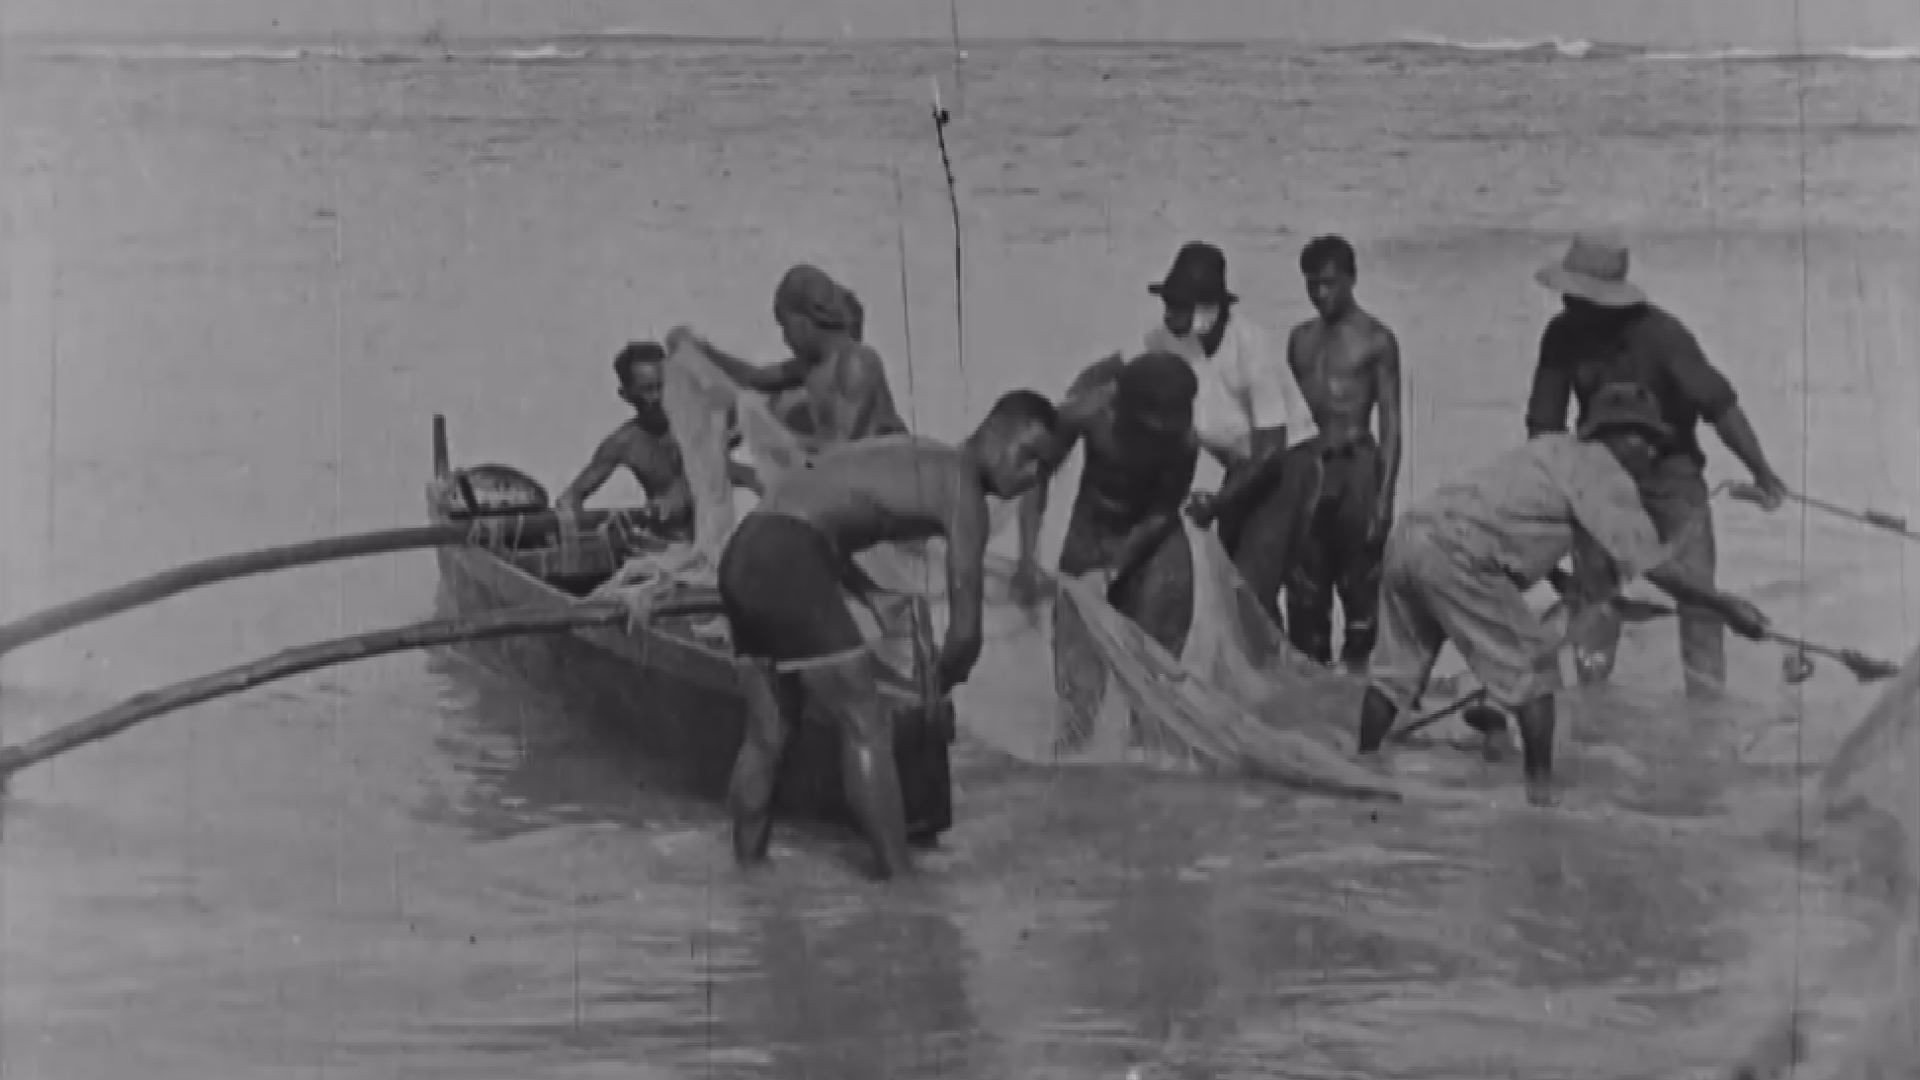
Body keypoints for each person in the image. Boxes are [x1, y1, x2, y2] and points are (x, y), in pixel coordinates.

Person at [1354, 383, 1772, 806]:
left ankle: (1360, 773)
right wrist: (1724, 606)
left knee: (1394, 676)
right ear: (1619, 435)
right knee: (1536, 678)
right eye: (1647, 440)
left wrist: (1559, 578)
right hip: (1458, 556)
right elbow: (1652, 565)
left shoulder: (1550, 451)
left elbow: (1509, 514)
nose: (1652, 454)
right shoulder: (1604, 473)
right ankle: (1541, 801)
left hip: (1410, 536)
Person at [716, 391, 1064, 880]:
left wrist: (868, 592)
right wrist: (939, 683)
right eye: (1029, 457)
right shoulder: (961, 487)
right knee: (867, 721)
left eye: (1044, 470)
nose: (1031, 476)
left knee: (767, 732)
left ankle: (747, 877)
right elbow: (966, 634)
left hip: (745, 550)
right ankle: (899, 884)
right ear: (994, 433)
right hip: (788, 554)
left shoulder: (914, 454)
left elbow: (820, 521)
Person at [1526, 233, 1787, 698]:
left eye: (1577, 294)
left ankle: (1707, 707)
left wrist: (1761, 472)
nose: (1566, 301)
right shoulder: (1561, 335)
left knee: (1698, 599)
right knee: (1595, 600)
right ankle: (1589, 703)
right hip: (1598, 478)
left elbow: (1719, 405)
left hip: (1672, 476)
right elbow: (1544, 426)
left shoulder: (1663, 335)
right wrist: (1553, 503)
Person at [1137, 241, 1317, 631]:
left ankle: (1269, 663)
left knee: (1251, 584)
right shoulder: (1163, 344)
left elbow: (1271, 450)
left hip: (1286, 465)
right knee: (1227, 579)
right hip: (1240, 467)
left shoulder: (1251, 346)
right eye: (1168, 304)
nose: (1170, 314)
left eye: (1181, 306)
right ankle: (1260, 658)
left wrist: (1218, 503)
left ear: (1210, 310)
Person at [1013, 351, 1201, 655]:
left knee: (1153, 656)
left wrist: (1111, 571)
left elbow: (1162, 512)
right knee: (1076, 647)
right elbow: (1036, 475)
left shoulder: (1185, 443)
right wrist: (1027, 555)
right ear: (1122, 408)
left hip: (1151, 540)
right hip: (1093, 531)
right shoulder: (1088, 411)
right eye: (1145, 429)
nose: (1152, 440)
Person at [1278, 235, 1404, 670]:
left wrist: (1385, 499)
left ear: (1351, 279)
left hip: (1357, 468)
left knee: (1362, 591)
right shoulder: (1299, 340)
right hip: (1310, 470)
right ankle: (1312, 691)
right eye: (1312, 284)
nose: (1320, 294)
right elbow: (1288, 418)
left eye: (1329, 283)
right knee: (1304, 594)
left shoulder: (1377, 340)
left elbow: (1391, 424)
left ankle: (1359, 687)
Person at [668, 264, 906, 450]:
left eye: (785, 326)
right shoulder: (811, 367)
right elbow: (755, 378)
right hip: (844, 477)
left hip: (884, 476)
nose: (785, 338)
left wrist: (768, 435)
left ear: (804, 320)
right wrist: (702, 349)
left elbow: (841, 446)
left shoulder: (856, 362)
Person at [553, 342, 696, 537]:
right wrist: (577, 531)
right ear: (626, 395)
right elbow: (569, 499)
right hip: (671, 543)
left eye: (662, 386)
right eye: (647, 389)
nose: (657, 397)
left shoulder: (702, 423)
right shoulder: (625, 442)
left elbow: (729, 470)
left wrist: (680, 494)